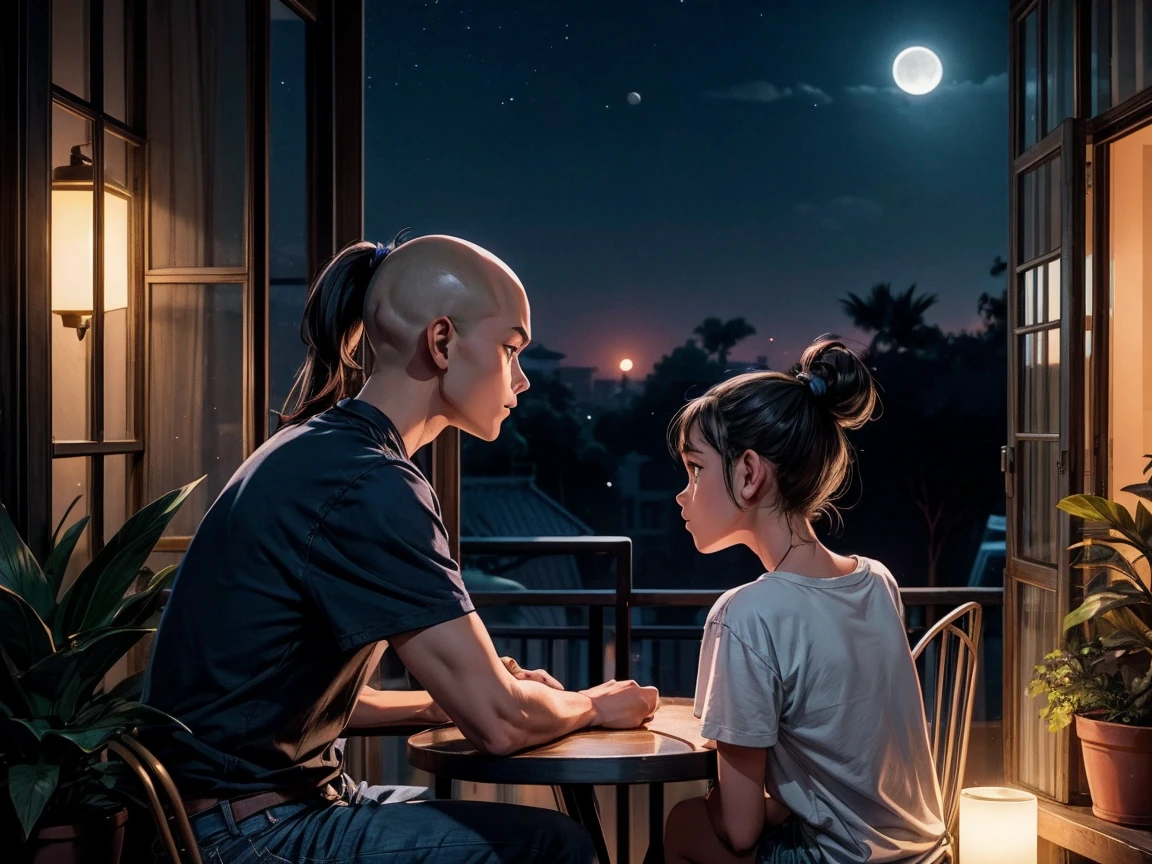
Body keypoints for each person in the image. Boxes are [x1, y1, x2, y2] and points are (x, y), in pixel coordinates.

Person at [143, 233, 658, 864]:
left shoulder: (322, 450)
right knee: (555, 848)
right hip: (244, 831)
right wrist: (594, 704)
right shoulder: (368, 483)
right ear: (442, 342)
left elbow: (311, 701)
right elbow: (501, 723)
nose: (522, 380)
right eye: (510, 348)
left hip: (241, 810)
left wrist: (445, 697)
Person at [662, 337, 947, 864]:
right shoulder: (877, 580)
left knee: (684, 823)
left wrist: (765, 805)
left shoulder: (746, 615)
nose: (683, 492)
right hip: (928, 853)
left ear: (749, 474)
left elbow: (741, 830)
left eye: (695, 468)